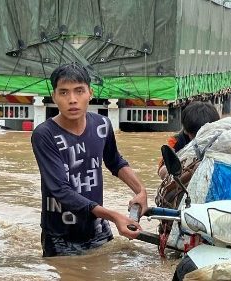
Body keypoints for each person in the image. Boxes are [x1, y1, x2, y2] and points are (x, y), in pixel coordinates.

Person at [31, 63, 148, 257]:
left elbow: (114, 161)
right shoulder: (44, 135)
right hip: (61, 237)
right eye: (64, 93)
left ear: (90, 93)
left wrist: (141, 191)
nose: (72, 100)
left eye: (79, 91)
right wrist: (113, 216)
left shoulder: (102, 125)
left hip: (97, 229)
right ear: (54, 97)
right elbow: (60, 190)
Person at [157, 101, 220, 179]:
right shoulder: (176, 141)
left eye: (204, 134)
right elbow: (161, 170)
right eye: (196, 135)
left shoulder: (222, 139)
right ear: (186, 131)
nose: (201, 139)